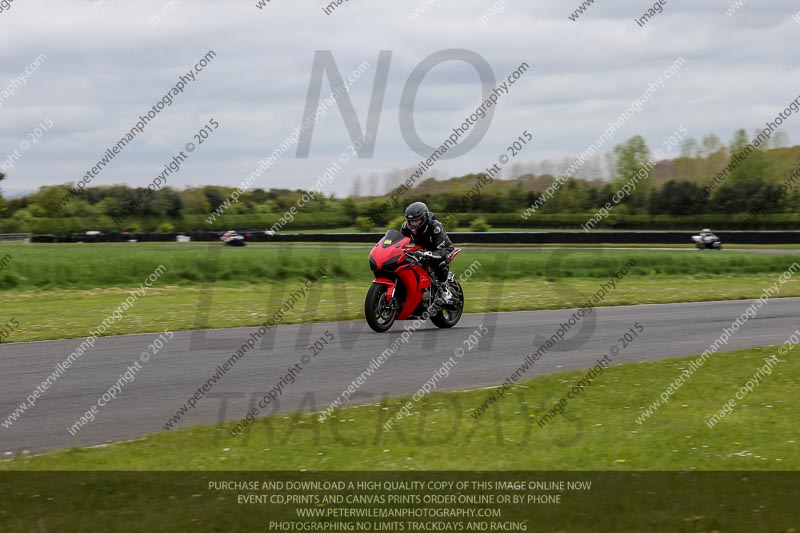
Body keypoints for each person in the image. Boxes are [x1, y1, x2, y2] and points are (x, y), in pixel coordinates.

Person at [401, 201, 455, 303]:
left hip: (443, 249)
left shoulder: (435, 226)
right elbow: (400, 242)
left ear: (424, 217)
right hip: (422, 249)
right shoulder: (406, 227)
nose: (414, 223)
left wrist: (427, 254)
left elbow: (440, 248)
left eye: (417, 220)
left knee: (438, 262)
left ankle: (445, 289)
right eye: (411, 221)